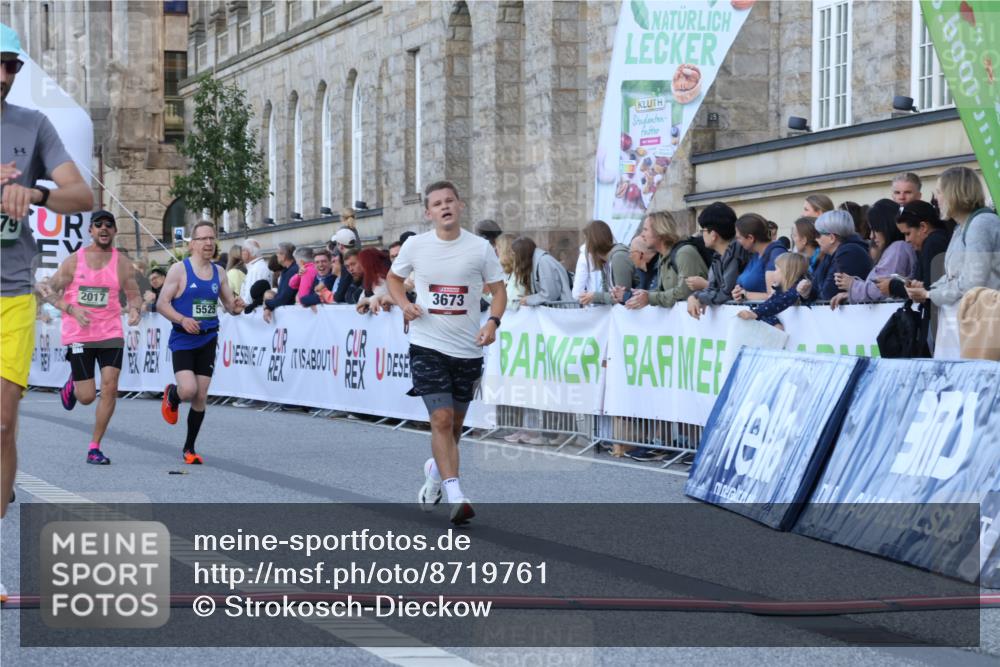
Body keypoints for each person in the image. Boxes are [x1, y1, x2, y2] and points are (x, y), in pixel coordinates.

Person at [1, 23, 94, 535]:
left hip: (10, 291)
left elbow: (81, 196)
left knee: (2, 425)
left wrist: (34, 194)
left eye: (9, 66)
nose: (2, 75)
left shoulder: (33, 125)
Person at [387, 180, 506, 525]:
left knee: (453, 427)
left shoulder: (480, 248)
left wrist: (492, 323)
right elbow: (393, 280)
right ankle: (456, 495)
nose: (444, 207)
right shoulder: (415, 246)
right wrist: (403, 305)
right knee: (439, 420)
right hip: (427, 345)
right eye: (437, 203)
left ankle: (435, 473)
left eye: (449, 201)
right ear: (428, 212)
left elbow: (499, 292)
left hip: (467, 349)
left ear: (460, 205)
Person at [43, 210, 141, 464]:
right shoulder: (74, 261)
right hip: (79, 333)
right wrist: (71, 308)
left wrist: (135, 309)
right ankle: (73, 386)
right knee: (86, 396)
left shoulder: (122, 263)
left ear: (115, 231)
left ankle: (94, 446)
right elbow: (48, 291)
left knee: (110, 387)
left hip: (110, 333)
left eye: (109, 225)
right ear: (91, 231)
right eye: (99, 225)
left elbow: (133, 294)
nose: (104, 229)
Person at [156, 221, 244, 464]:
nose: (208, 243)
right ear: (192, 243)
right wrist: (183, 319)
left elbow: (228, 305)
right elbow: (162, 304)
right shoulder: (179, 270)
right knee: (188, 390)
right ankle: (172, 395)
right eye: (203, 238)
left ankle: (189, 448)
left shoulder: (220, 272)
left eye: (211, 238)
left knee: (200, 396)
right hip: (183, 338)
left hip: (208, 338)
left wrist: (236, 307)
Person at [905, 166, 1000, 356]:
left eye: (939, 192)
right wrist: (927, 290)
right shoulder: (962, 226)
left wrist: (929, 294)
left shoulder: (981, 224)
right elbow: (954, 276)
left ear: (954, 193)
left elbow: (973, 283)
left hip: (980, 325)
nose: (936, 199)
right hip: (968, 322)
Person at [887, 200, 953, 354]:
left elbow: (932, 289)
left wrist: (897, 287)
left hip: (940, 323)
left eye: (907, 233)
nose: (907, 240)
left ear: (923, 227)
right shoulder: (936, 240)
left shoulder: (933, 242)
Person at [830, 199, 916, 307]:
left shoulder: (898, 248)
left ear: (886, 227)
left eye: (875, 229)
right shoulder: (896, 248)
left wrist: (852, 285)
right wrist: (850, 293)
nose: (871, 236)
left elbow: (880, 289)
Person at [624, 211, 708, 309]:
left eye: (645, 230)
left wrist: (650, 297)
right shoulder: (663, 257)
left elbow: (684, 293)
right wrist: (640, 295)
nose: (642, 235)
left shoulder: (684, 253)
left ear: (659, 232)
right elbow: (663, 291)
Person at [686, 202, 749, 318]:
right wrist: (694, 296)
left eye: (703, 231)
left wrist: (697, 297)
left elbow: (725, 293)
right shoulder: (718, 256)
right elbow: (712, 288)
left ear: (713, 234)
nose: (701, 235)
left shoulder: (734, 253)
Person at [802, 210, 873, 301]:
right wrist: (806, 292)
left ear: (832, 238)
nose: (816, 239)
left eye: (818, 234)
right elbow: (818, 289)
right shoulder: (830, 254)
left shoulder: (849, 253)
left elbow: (829, 293)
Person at [737, 252, 810, 329]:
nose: (774, 273)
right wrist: (774, 322)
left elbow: (781, 301)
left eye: (776, 269)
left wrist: (756, 313)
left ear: (786, 271)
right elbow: (770, 304)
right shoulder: (780, 290)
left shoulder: (798, 288)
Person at [731, 213, 787, 302]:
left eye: (739, 238)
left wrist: (745, 294)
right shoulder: (756, 254)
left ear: (750, 238)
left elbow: (774, 297)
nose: (737, 242)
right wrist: (738, 293)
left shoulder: (776, 253)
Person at [578, 220, 633, 306]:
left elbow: (621, 296)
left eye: (586, 240)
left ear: (594, 242)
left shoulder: (618, 257)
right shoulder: (605, 262)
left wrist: (594, 296)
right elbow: (608, 293)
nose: (586, 247)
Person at [512, 236, 573, 306]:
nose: (513, 258)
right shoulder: (535, 261)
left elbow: (550, 294)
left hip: (562, 309)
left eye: (514, 255)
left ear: (521, 254)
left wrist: (529, 299)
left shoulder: (543, 262)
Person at [262, 241, 298, 322]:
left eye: (277, 253)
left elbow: (284, 298)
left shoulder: (293, 270)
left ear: (284, 255)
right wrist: (268, 307)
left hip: (293, 316)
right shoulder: (286, 270)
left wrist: (267, 303)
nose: (276, 256)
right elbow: (280, 296)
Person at [355, 247, 393, 314]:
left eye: (362, 263)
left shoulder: (382, 278)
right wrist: (364, 304)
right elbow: (361, 299)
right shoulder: (372, 279)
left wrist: (365, 301)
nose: (361, 266)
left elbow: (381, 297)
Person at [240, 239, 272, 304]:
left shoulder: (256, 269)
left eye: (242, 250)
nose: (241, 253)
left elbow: (249, 298)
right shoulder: (256, 267)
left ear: (247, 252)